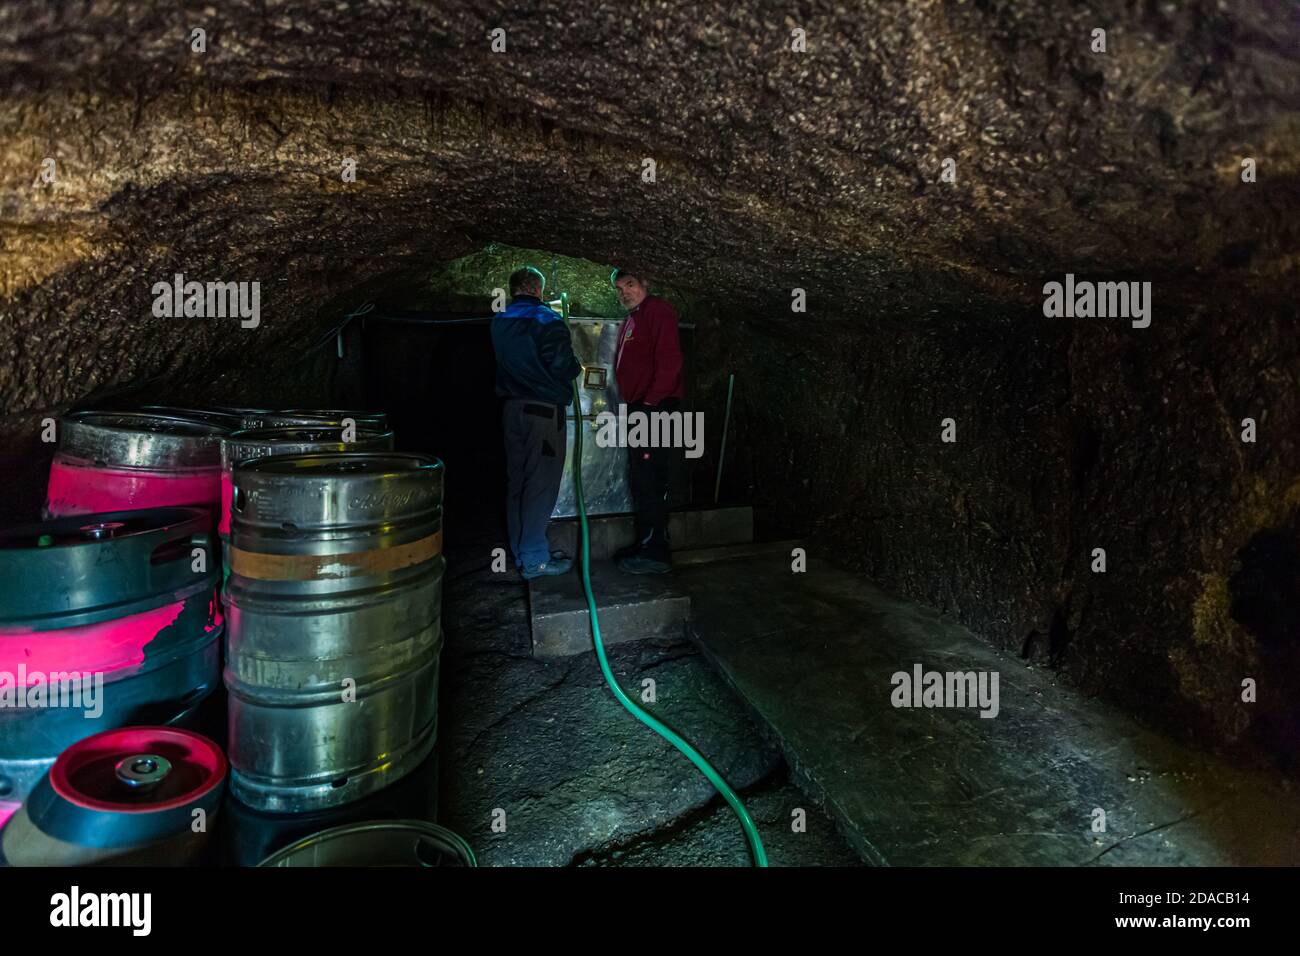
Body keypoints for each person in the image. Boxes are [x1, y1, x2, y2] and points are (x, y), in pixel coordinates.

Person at [491, 266, 582, 579]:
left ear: (514, 288)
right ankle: (535, 561)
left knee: (516, 483)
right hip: (542, 412)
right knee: (540, 484)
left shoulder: (498, 320)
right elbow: (561, 363)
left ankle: (522, 554)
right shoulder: (547, 318)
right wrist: (575, 368)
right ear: (538, 288)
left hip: (511, 410)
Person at [610, 268, 683, 574]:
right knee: (641, 477)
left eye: (630, 285)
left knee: (650, 477)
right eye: (619, 288)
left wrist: (651, 402)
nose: (624, 292)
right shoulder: (635, 317)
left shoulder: (657, 310)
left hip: (654, 408)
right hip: (640, 407)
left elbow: (670, 360)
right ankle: (647, 541)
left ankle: (655, 552)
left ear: (645, 284)